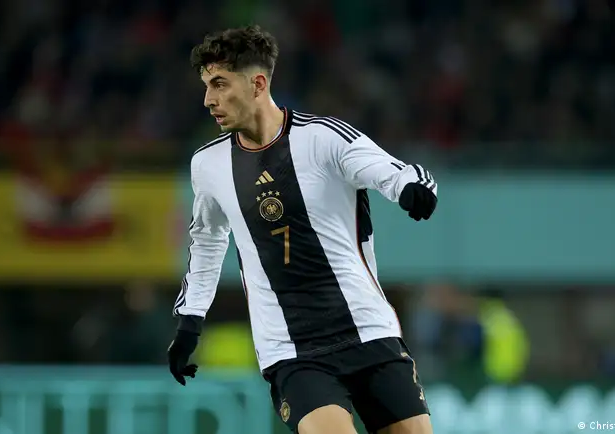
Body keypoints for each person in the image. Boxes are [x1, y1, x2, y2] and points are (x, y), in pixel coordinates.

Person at [167, 25, 437, 434]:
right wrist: (190, 319)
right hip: (292, 351)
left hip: (368, 331)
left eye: (219, 84)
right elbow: (206, 241)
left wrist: (410, 188)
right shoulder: (208, 165)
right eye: (206, 86)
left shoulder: (323, 138)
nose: (208, 99)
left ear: (258, 84)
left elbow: (389, 169)